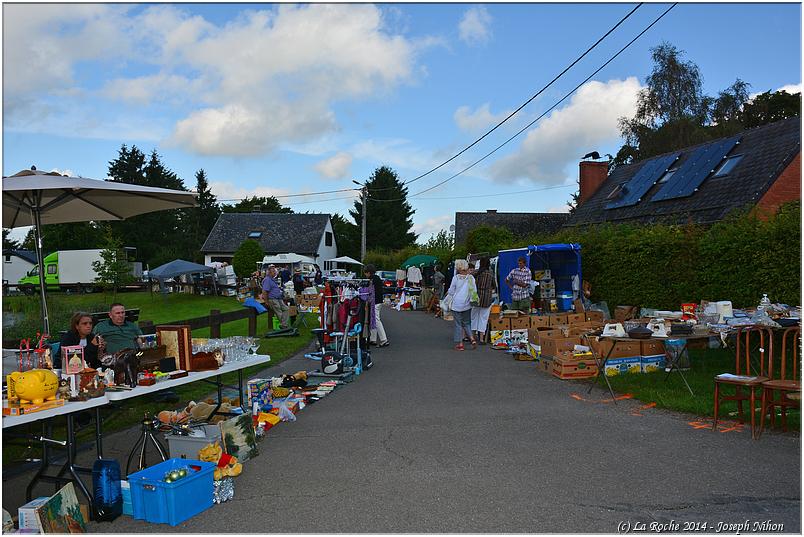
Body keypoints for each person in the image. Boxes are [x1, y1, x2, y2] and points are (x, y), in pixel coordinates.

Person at [445, 259, 478, 351]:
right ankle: (472, 339)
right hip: (467, 304)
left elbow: (451, 291)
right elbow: (474, 291)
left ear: (458, 268)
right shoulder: (471, 278)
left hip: (456, 304)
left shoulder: (456, 278)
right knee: (467, 323)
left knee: (458, 324)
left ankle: (460, 344)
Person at [364, 264, 390, 347]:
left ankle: (384, 339)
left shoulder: (372, 280)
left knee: (376, 320)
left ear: (369, 272)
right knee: (374, 320)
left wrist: (367, 301)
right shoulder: (376, 278)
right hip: (378, 301)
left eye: (366, 273)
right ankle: (373, 339)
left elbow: (370, 292)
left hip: (375, 302)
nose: (365, 275)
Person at [471, 257, 495, 344]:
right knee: (483, 318)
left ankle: (472, 337)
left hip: (476, 297)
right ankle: (481, 338)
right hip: (486, 298)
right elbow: (494, 286)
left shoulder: (476, 273)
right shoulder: (490, 273)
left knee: (473, 317)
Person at [261, 265, 290, 330]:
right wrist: (266, 301)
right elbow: (264, 291)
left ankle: (284, 325)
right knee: (279, 312)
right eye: (273, 272)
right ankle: (284, 326)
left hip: (278, 298)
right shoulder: (267, 280)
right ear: (269, 273)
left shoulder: (272, 279)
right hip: (273, 299)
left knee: (286, 309)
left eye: (275, 271)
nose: (275, 273)